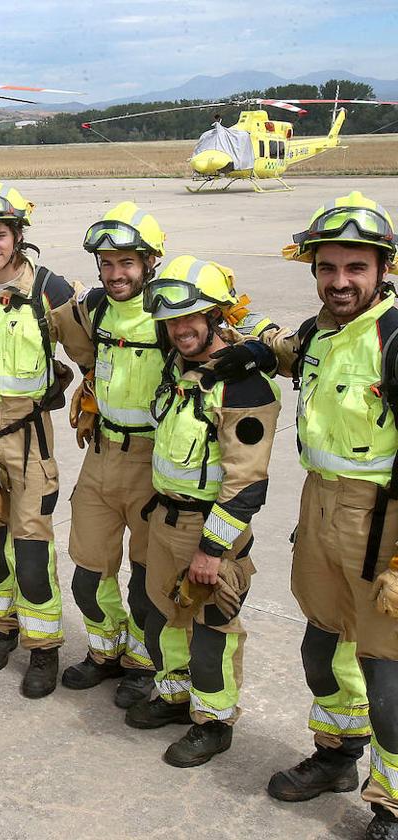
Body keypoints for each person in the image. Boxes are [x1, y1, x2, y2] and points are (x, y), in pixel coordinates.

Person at [252, 192, 398, 840]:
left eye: (355, 268)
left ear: (382, 270)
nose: (340, 281)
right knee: (320, 650)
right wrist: (244, 342)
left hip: (382, 523)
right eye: (328, 268)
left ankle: (391, 805)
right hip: (319, 508)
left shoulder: (394, 340)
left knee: (388, 680)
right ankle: (338, 757)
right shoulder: (319, 331)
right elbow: (290, 351)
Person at [124, 256, 279, 769]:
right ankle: (174, 697)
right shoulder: (177, 367)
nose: (181, 329)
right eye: (171, 320)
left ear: (216, 316)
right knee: (166, 616)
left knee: (212, 627)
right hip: (165, 517)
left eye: (192, 318)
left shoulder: (244, 385)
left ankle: (213, 723)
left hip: (209, 527)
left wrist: (213, 551)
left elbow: (247, 482)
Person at [0, 179, 91, 697]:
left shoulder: (50, 291)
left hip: (27, 436)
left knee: (31, 550)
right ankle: (0, 629)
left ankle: (43, 648)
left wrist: (80, 393)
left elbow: (86, 355)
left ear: (18, 235)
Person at [61, 203, 169, 707]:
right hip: (102, 454)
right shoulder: (95, 309)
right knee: (88, 573)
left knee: (147, 583)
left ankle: (145, 663)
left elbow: (228, 328)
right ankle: (106, 651)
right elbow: (54, 325)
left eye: (126, 262)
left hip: (154, 464)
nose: (115, 273)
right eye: (106, 263)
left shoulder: (172, 313)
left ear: (151, 262)